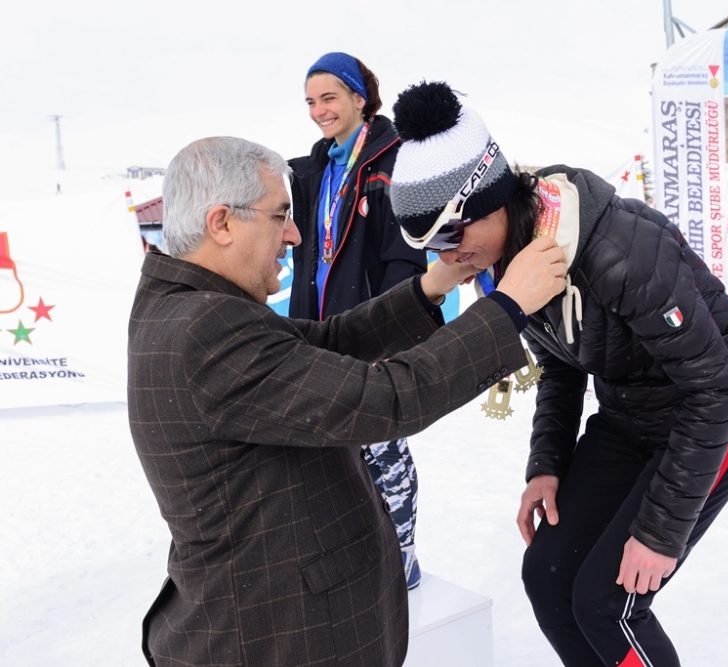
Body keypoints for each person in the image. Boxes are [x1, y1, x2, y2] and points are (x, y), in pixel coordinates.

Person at [128, 135, 568, 667]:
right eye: (281, 215)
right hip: (280, 641)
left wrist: (431, 285)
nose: (293, 236)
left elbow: (325, 343)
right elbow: (387, 398)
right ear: (222, 223)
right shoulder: (205, 328)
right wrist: (508, 306)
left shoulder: (192, 308)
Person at [389, 82, 728, 667]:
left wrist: (659, 532)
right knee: (546, 575)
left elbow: (717, 389)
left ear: (490, 200)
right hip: (629, 417)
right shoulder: (508, 264)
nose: (446, 257)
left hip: (718, 419)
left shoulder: (620, 252)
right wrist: (547, 465)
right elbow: (559, 367)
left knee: (607, 601)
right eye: (426, 244)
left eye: (449, 234)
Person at [287, 52, 426, 588]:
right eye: (310, 102)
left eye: (329, 98)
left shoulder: (392, 161)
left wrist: (390, 330)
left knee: (382, 445)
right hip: (316, 331)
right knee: (332, 451)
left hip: (368, 329)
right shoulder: (311, 169)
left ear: (358, 97)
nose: (320, 111)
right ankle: (357, 551)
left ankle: (403, 550)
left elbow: (404, 257)